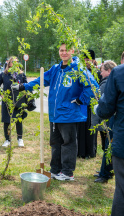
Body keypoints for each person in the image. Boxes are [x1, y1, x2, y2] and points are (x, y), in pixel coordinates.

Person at [13, 44, 96, 181]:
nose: (63, 53)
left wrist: (82, 100)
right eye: (61, 50)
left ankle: (67, 172)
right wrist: (24, 86)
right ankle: (55, 169)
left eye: (66, 50)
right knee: (55, 142)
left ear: (72, 51)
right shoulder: (56, 69)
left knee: (68, 142)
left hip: (69, 113)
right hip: (55, 113)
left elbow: (92, 87)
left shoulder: (78, 69)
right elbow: (41, 79)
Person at [96, 61, 124, 216]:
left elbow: (106, 109)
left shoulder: (119, 73)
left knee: (122, 190)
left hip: (123, 143)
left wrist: (98, 109)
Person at [0, 56, 29, 147]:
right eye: (13, 62)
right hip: (7, 101)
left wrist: (24, 93)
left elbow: (26, 86)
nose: (15, 64)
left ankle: (20, 139)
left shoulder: (21, 74)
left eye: (17, 62)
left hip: (18, 101)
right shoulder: (3, 74)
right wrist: (1, 94)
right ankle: (7, 140)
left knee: (18, 120)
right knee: (7, 121)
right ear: (9, 63)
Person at [92, 61, 117, 183]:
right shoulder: (110, 82)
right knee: (106, 145)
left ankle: (105, 174)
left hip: (110, 119)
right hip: (110, 119)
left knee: (108, 146)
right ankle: (105, 171)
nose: (100, 73)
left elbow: (104, 101)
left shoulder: (108, 83)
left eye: (102, 70)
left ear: (109, 71)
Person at [77, 50, 99, 158]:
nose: (86, 62)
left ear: (93, 60)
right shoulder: (80, 72)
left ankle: (90, 151)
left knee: (90, 127)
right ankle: (80, 151)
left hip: (92, 104)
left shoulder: (96, 73)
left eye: (88, 59)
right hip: (81, 103)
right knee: (81, 128)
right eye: (84, 59)